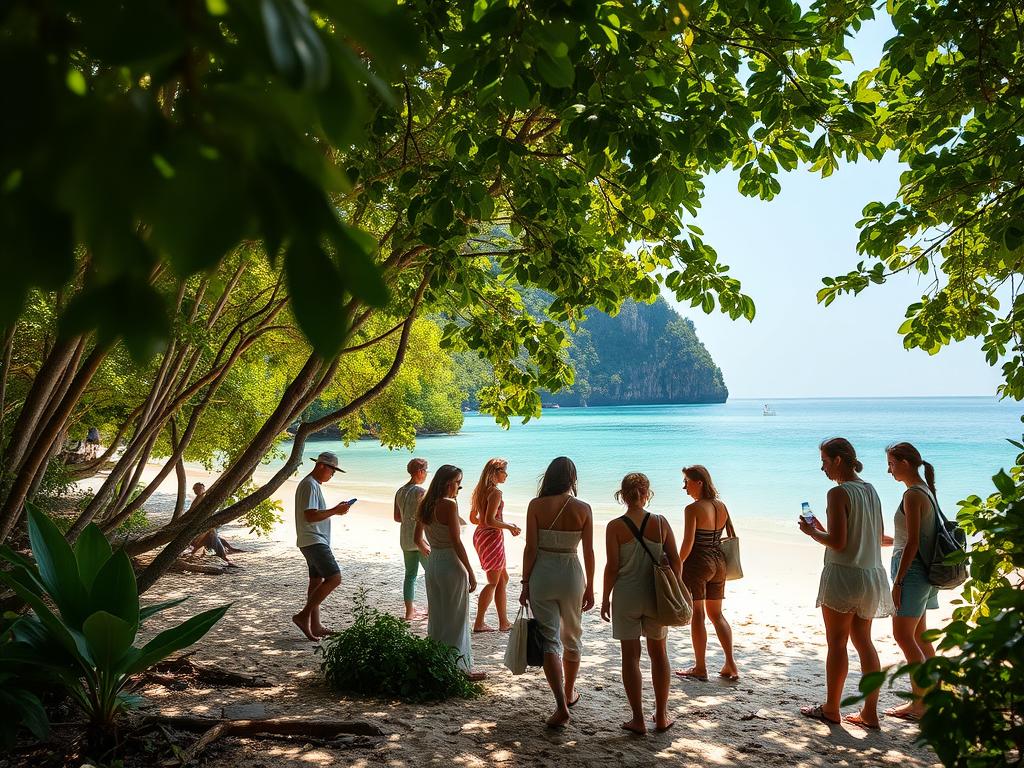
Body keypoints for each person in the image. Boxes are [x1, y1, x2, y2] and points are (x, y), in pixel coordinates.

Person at [799, 437, 894, 729]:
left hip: (844, 575)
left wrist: (811, 532)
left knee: (837, 643)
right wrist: (824, 531)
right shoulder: (871, 490)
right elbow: (876, 537)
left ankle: (831, 708)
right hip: (870, 574)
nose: (823, 468)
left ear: (838, 460)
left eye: (825, 461)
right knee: (864, 642)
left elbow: (839, 544)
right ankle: (870, 712)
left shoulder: (837, 493)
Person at [601, 473, 681, 735]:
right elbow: (676, 560)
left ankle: (638, 718)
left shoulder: (615, 526)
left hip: (626, 596)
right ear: (647, 494)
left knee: (630, 657)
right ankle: (661, 714)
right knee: (658, 654)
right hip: (655, 596)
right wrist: (676, 586)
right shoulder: (659, 522)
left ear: (622, 496)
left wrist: (604, 597)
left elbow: (612, 567)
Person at [519, 456, 595, 728]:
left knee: (549, 638)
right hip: (571, 574)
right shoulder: (583, 508)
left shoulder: (536, 505)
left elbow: (530, 548)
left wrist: (525, 583)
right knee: (573, 635)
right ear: (572, 479)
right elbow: (588, 552)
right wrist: (592, 586)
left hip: (543, 574)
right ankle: (570, 691)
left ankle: (561, 704)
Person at [884, 442, 940, 721]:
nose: (889, 470)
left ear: (905, 463)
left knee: (904, 636)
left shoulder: (913, 495)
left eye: (892, 464)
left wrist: (898, 581)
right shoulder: (925, 491)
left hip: (913, 572)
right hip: (925, 571)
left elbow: (914, 543)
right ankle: (934, 695)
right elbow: (911, 538)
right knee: (920, 636)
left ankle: (919, 704)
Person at [413, 464, 486, 680]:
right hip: (450, 563)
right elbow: (456, 541)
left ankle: (437, 662)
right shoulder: (449, 504)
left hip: (433, 562)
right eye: (458, 483)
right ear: (448, 483)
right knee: (456, 617)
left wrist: (431, 551)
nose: (458, 488)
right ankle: (460, 668)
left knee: (438, 615)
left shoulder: (425, 502)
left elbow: (417, 539)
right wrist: (471, 572)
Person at [675, 465, 739, 682]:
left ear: (699, 482)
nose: (684, 487)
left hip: (698, 563)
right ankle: (730, 663)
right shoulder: (721, 506)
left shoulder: (692, 509)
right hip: (719, 562)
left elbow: (688, 543)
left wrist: (677, 564)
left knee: (698, 614)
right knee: (717, 614)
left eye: (687, 482)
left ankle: (700, 667)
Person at [292, 451, 353, 642]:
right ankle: (303, 616)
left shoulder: (312, 484)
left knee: (316, 583)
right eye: (332, 470)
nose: (332, 474)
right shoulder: (310, 484)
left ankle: (316, 626)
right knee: (335, 578)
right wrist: (336, 510)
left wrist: (336, 510)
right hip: (314, 540)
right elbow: (310, 516)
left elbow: (311, 514)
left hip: (311, 540)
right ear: (321, 466)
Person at [470, 458, 521, 632]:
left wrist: (486, 525)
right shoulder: (496, 493)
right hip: (491, 538)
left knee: (503, 579)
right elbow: (490, 520)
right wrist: (509, 527)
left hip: (481, 536)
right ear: (495, 472)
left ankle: (503, 622)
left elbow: (474, 519)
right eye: (505, 471)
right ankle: (479, 622)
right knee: (493, 581)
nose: (507, 475)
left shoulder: (479, 491)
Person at [395, 457, 429, 621]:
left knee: (410, 576)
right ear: (420, 472)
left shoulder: (400, 491)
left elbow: (397, 517)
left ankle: (409, 612)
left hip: (405, 538)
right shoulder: (421, 491)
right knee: (431, 574)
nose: (427, 474)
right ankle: (432, 608)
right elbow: (427, 517)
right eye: (426, 471)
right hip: (420, 538)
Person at [188, 482, 244, 566]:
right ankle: (224, 556)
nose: (197, 490)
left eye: (199, 488)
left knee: (213, 534)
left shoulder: (203, 498)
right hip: (198, 530)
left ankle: (227, 552)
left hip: (203, 527)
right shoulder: (198, 500)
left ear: (204, 489)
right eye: (195, 488)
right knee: (212, 534)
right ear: (194, 490)